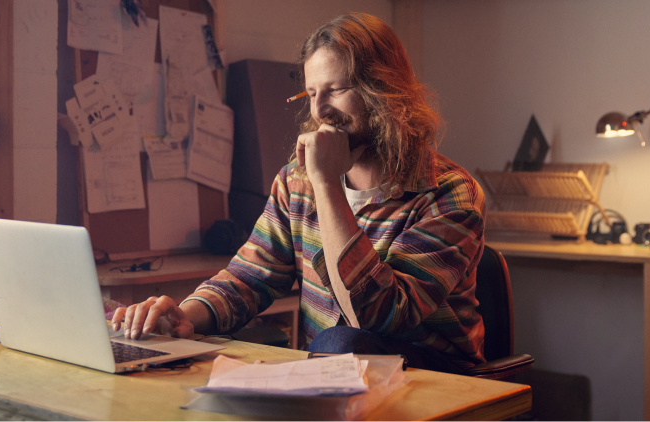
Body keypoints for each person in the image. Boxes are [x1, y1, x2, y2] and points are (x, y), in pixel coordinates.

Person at [112, 12, 486, 373]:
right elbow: (250, 276)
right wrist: (185, 316)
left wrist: (326, 185)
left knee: (341, 343)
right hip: (336, 381)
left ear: (384, 91)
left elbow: (380, 316)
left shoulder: (450, 193)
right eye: (310, 93)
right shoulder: (296, 181)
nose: (320, 109)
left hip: (435, 379)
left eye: (335, 90)